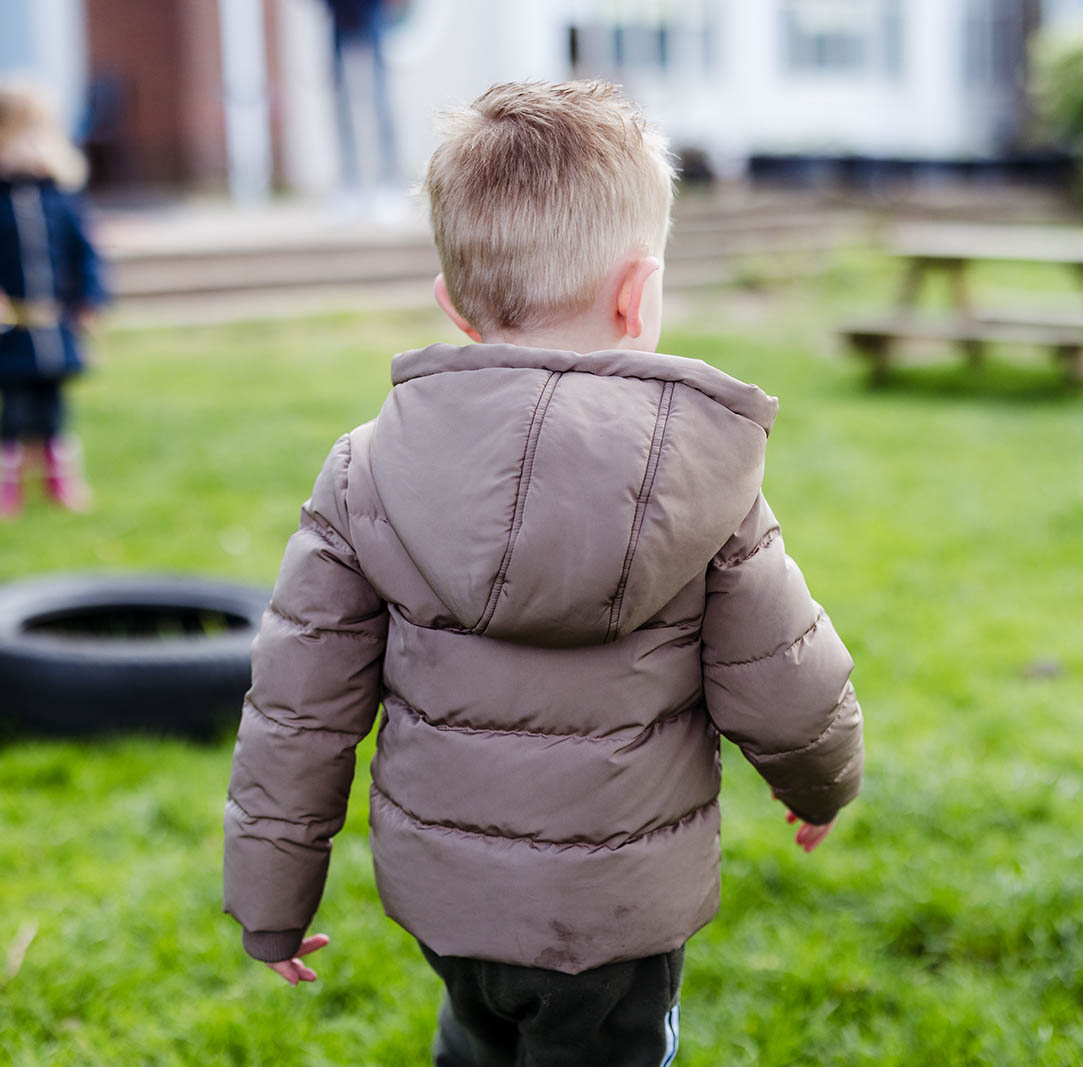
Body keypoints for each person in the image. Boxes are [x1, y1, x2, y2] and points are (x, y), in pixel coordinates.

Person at [223, 80, 864, 1066]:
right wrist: (821, 788)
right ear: (637, 293)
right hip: (617, 914)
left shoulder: (365, 469)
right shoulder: (705, 478)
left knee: (477, 1037)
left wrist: (270, 904)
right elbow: (789, 688)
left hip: (450, 902)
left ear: (454, 307)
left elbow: (298, 714)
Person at [0, 79, 107, 518]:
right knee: (14, 412)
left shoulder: (61, 200)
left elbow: (85, 253)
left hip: (54, 327)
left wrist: (90, 299)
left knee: (54, 410)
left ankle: (60, 480)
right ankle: (9, 485)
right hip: (11, 333)